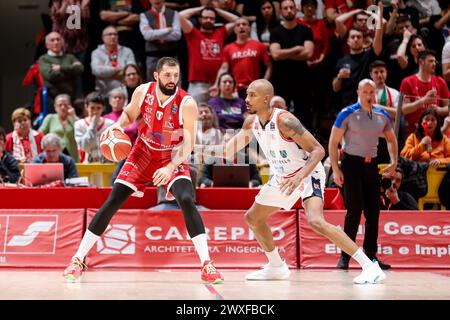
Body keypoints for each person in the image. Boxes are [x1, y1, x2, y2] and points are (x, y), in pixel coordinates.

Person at [63, 57, 224, 284]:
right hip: (143, 153)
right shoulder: (142, 91)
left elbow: (188, 143)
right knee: (114, 199)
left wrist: (169, 168)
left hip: (172, 155)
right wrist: (119, 125)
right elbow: (129, 114)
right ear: (157, 76)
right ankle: (77, 259)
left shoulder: (187, 103)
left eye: (176, 75)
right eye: (167, 75)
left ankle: (207, 264)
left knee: (187, 199)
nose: (172, 80)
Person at [218, 78, 386, 284]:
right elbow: (226, 152)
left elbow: (319, 150)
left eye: (252, 95)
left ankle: (370, 266)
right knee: (253, 218)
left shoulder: (285, 121)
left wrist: (301, 175)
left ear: (266, 99)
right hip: (283, 177)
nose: (247, 99)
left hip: (307, 172)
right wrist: (196, 147)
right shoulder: (250, 122)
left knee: (315, 220)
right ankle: (277, 267)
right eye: (247, 95)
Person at [329, 79, 398, 271]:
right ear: (358, 92)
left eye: (372, 92)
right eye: (365, 92)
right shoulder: (347, 113)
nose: (369, 96)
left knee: (373, 213)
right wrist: (335, 169)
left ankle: (371, 257)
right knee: (354, 212)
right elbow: (333, 142)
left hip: (371, 165)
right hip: (351, 164)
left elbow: (391, 140)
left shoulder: (381, 114)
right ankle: (345, 256)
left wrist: (394, 161)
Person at [179, 5, 239, 103]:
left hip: (217, 84)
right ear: (200, 20)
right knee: (195, 116)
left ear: (215, 20)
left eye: (211, 18)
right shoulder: (192, 32)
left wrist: (217, 10)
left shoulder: (220, 33)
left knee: (217, 116)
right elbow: (180, 15)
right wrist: (201, 8)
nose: (208, 20)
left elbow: (237, 20)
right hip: (197, 84)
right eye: (205, 18)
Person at [211, 17, 272, 98]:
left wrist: (264, 82)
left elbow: (269, 65)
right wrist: (216, 84)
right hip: (235, 89)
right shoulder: (228, 48)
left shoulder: (259, 45)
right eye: (238, 25)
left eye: (244, 24)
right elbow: (224, 68)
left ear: (249, 28)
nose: (241, 27)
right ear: (234, 30)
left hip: (254, 88)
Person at [400, 50, 449, 135]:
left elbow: (448, 107)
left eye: (435, 61)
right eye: (430, 61)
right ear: (421, 62)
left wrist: (440, 110)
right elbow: (404, 109)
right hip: (414, 132)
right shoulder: (407, 81)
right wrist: (423, 100)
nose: (434, 64)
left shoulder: (440, 81)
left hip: (436, 132)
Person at [37, 32, 84, 113]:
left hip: (72, 96)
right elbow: (50, 76)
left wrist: (60, 68)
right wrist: (71, 72)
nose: (56, 42)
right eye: (52, 40)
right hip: (53, 96)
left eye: (58, 39)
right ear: (47, 45)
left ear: (62, 43)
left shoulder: (70, 57)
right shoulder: (43, 59)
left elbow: (80, 69)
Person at [139, 0, 182, 81]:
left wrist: (154, 34)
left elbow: (177, 35)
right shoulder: (144, 15)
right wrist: (168, 30)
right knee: (153, 88)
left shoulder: (174, 14)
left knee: (174, 85)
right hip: (152, 58)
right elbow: (147, 36)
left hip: (172, 56)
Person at [91, 26, 136, 96]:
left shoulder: (127, 51)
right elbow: (96, 70)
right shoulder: (96, 53)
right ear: (103, 38)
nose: (113, 36)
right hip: (103, 92)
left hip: (125, 92)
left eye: (115, 34)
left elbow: (131, 69)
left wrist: (106, 73)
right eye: (110, 34)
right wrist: (117, 70)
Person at [74, 92, 115, 163]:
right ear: (86, 107)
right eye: (92, 108)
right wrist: (92, 125)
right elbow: (85, 147)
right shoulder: (79, 124)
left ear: (103, 108)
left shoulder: (110, 124)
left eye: (98, 108)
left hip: (106, 164)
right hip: (87, 164)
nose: (95, 112)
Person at [39, 94, 80, 162]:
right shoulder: (50, 118)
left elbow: (83, 129)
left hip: (72, 156)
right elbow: (40, 134)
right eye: (60, 105)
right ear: (55, 107)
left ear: (70, 106)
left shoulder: (74, 119)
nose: (63, 107)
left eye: (65, 105)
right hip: (54, 155)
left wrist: (74, 116)